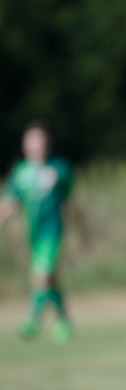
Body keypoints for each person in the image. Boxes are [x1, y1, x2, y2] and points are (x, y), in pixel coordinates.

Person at [0, 121, 82, 344]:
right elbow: (9, 204)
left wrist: (81, 231)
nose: (37, 145)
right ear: (25, 144)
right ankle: (63, 321)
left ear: (48, 142)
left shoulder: (60, 169)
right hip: (33, 236)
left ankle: (32, 321)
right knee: (48, 280)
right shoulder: (20, 172)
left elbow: (70, 202)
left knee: (42, 275)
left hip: (53, 233)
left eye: (41, 139)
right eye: (32, 140)